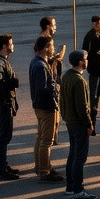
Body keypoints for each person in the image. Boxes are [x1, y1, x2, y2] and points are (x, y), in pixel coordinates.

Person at [59, 50, 96, 199]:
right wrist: (88, 123)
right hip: (79, 123)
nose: (87, 61)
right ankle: (78, 190)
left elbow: (62, 101)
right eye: (86, 58)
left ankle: (70, 186)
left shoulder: (67, 76)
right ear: (81, 62)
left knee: (73, 154)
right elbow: (82, 106)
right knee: (80, 157)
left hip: (70, 121)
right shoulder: (79, 81)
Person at [28, 36, 63, 183]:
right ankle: (44, 170)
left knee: (40, 137)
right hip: (46, 107)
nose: (53, 48)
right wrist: (54, 87)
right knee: (46, 141)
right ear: (45, 48)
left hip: (39, 106)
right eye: (52, 46)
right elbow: (42, 89)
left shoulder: (36, 62)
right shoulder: (41, 66)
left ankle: (41, 166)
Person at [0, 33, 21, 180]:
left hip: (5, 103)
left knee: (5, 135)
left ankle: (2, 164)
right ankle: (0, 169)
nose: (13, 46)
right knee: (3, 136)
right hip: (2, 103)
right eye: (11, 44)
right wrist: (11, 83)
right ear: (5, 46)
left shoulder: (2, 61)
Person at [82, 15, 100, 135]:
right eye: (98, 23)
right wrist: (95, 55)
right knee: (94, 99)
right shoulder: (90, 36)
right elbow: (85, 52)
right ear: (93, 24)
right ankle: (92, 124)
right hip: (94, 71)